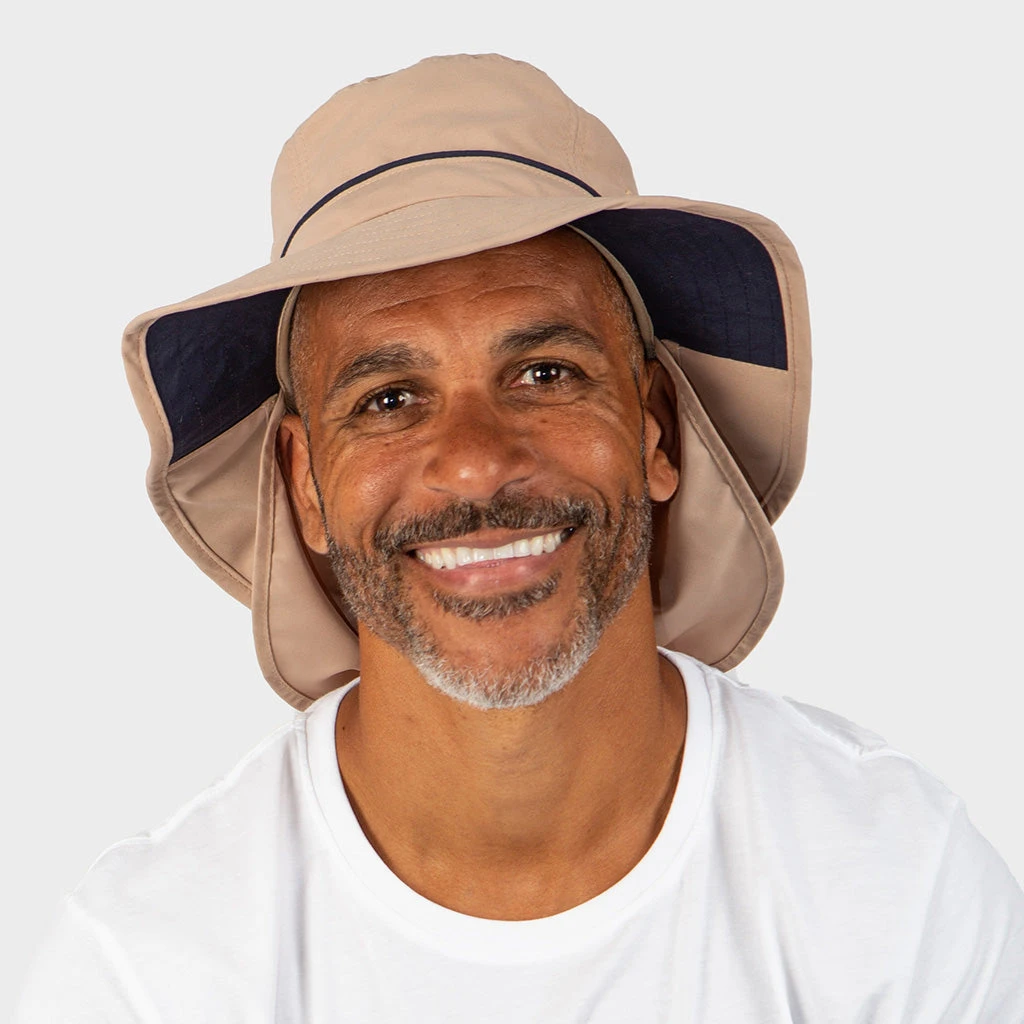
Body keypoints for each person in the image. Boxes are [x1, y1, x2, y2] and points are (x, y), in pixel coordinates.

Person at [16, 53, 1024, 1021]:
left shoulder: (896, 888)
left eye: (545, 374)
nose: (475, 463)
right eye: (389, 397)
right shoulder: (149, 969)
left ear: (654, 428)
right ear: (305, 485)